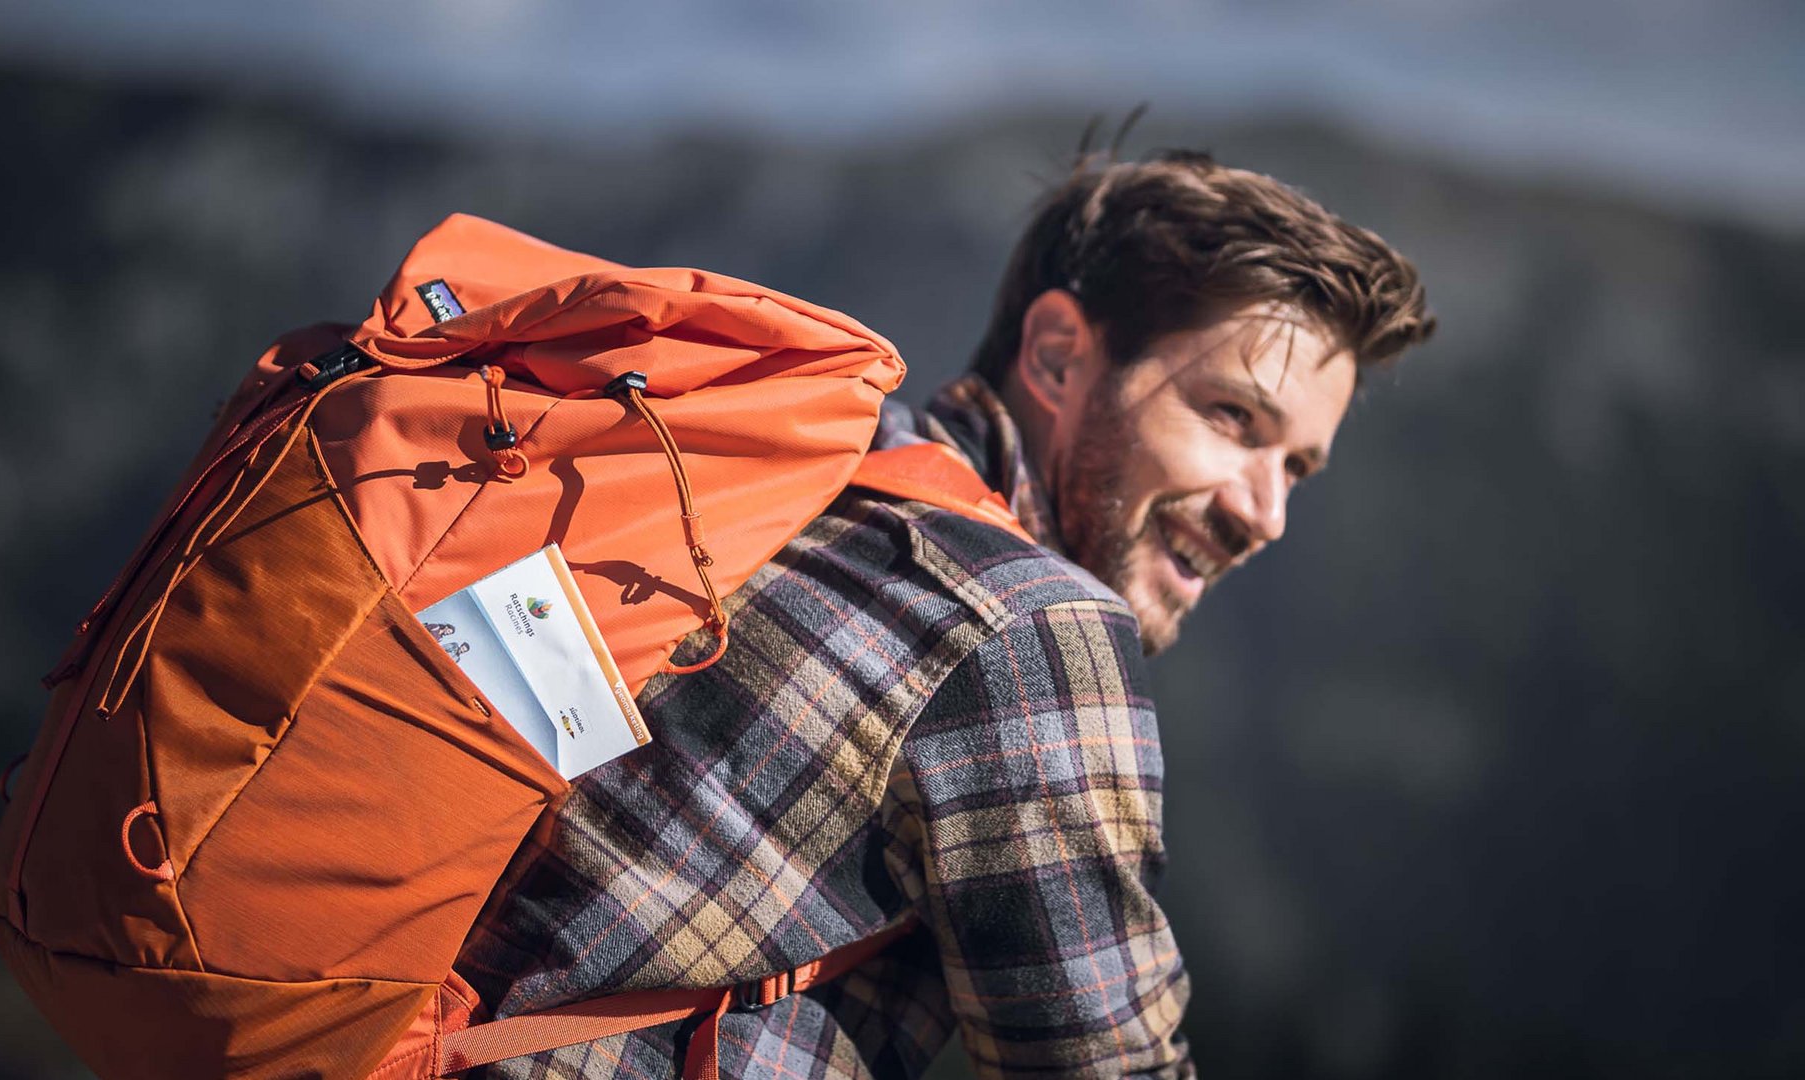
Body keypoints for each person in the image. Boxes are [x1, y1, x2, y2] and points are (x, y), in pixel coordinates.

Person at [456, 147, 1435, 1078]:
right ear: (1056, 357)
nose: (1265, 514)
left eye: (1296, 467)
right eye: (1232, 419)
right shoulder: (1030, 627)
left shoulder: (821, 480)